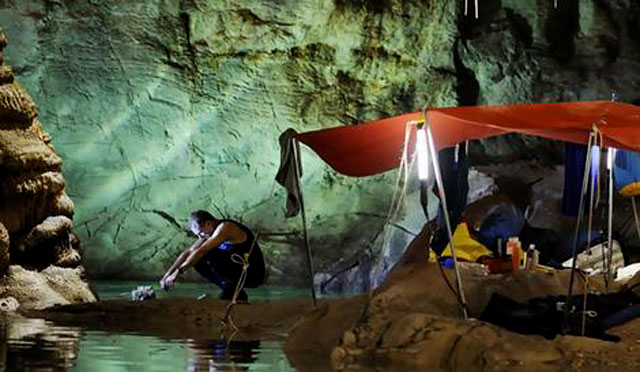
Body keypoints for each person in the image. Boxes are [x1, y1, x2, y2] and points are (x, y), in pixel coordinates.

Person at [160, 210, 265, 302]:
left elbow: (201, 251)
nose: (200, 237)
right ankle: (234, 292)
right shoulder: (209, 232)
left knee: (205, 254)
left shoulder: (226, 227)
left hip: (252, 274)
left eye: (200, 233)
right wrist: (168, 274)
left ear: (208, 223)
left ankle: (231, 290)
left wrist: (179, 272)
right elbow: (189, 252)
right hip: (237, 270)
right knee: (196, 257)